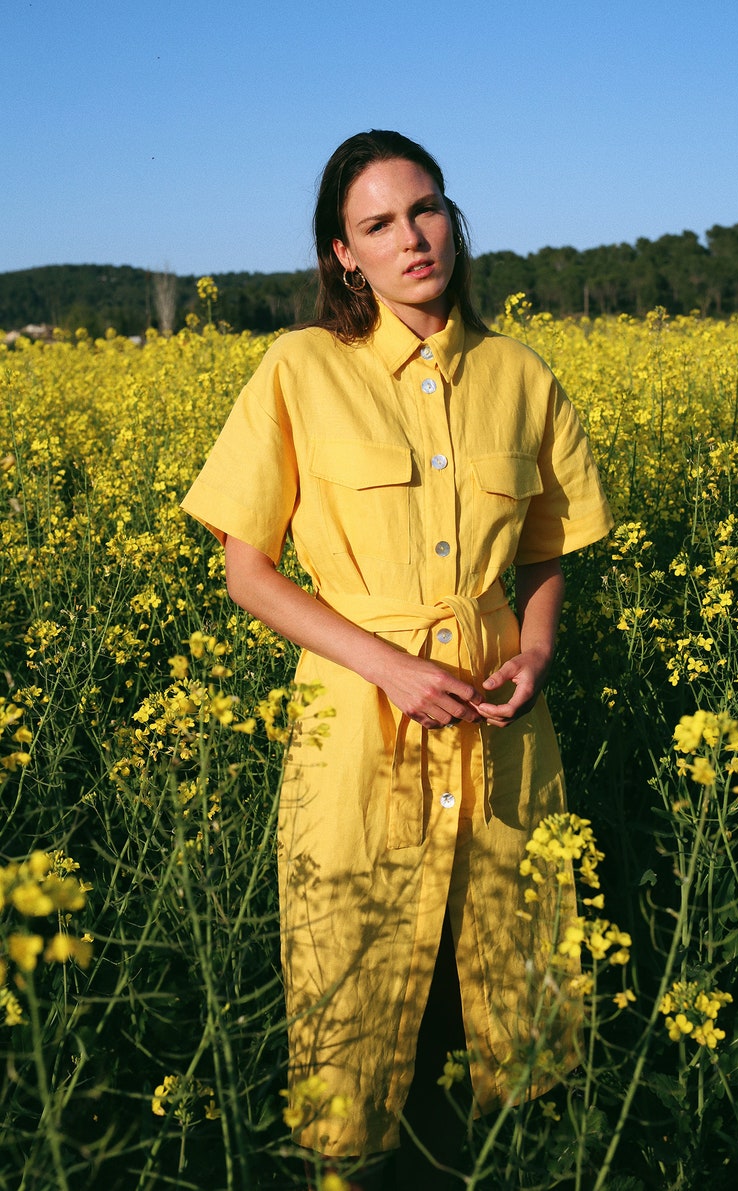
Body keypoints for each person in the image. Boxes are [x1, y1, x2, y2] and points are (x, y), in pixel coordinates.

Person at [181, 130, 613, 1189]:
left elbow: (551, 545)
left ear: (450, 219)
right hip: (358, 712)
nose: (411, 238)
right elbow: (250, 572)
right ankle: (349, 1163)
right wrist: (387, 667)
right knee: (351, 958)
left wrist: (541, 643)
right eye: (378, 224)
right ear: (342, 254)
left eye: (425, 210)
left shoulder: (518, 373)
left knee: (519, 952)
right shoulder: (298, 369)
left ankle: (523, 1153)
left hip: (502, 711)